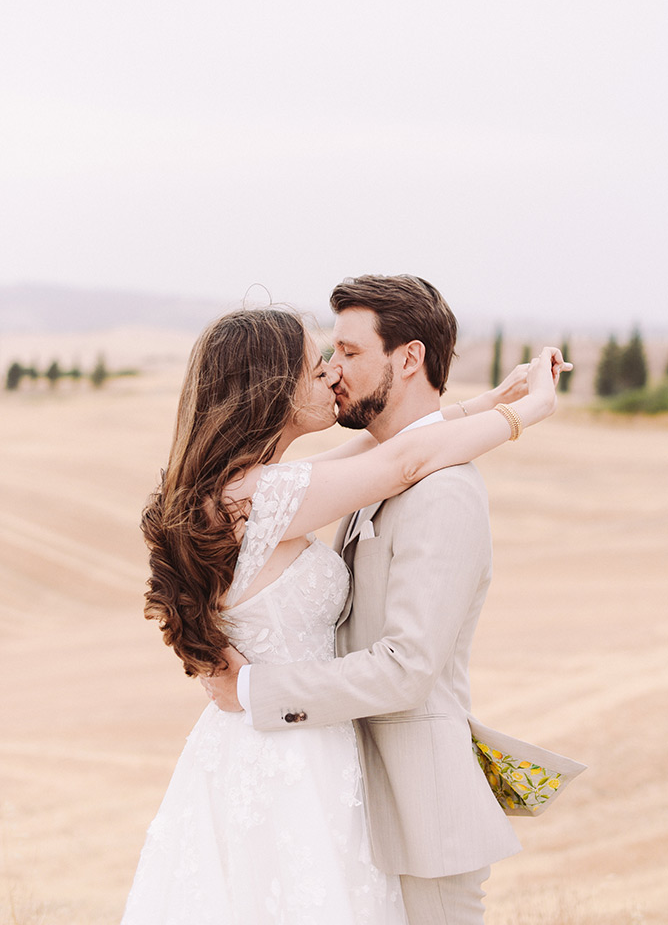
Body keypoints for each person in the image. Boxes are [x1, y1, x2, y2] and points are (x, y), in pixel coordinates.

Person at [121, 286, 566, 925]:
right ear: (271, 388)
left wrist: (486, 402)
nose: (329, 373)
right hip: (283, 757)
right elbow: (404, 460)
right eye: (315, 364)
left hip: (285, 745)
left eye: (340, 354)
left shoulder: (251, 488)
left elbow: (388, 447)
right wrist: (534, 410)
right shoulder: (265, 496)